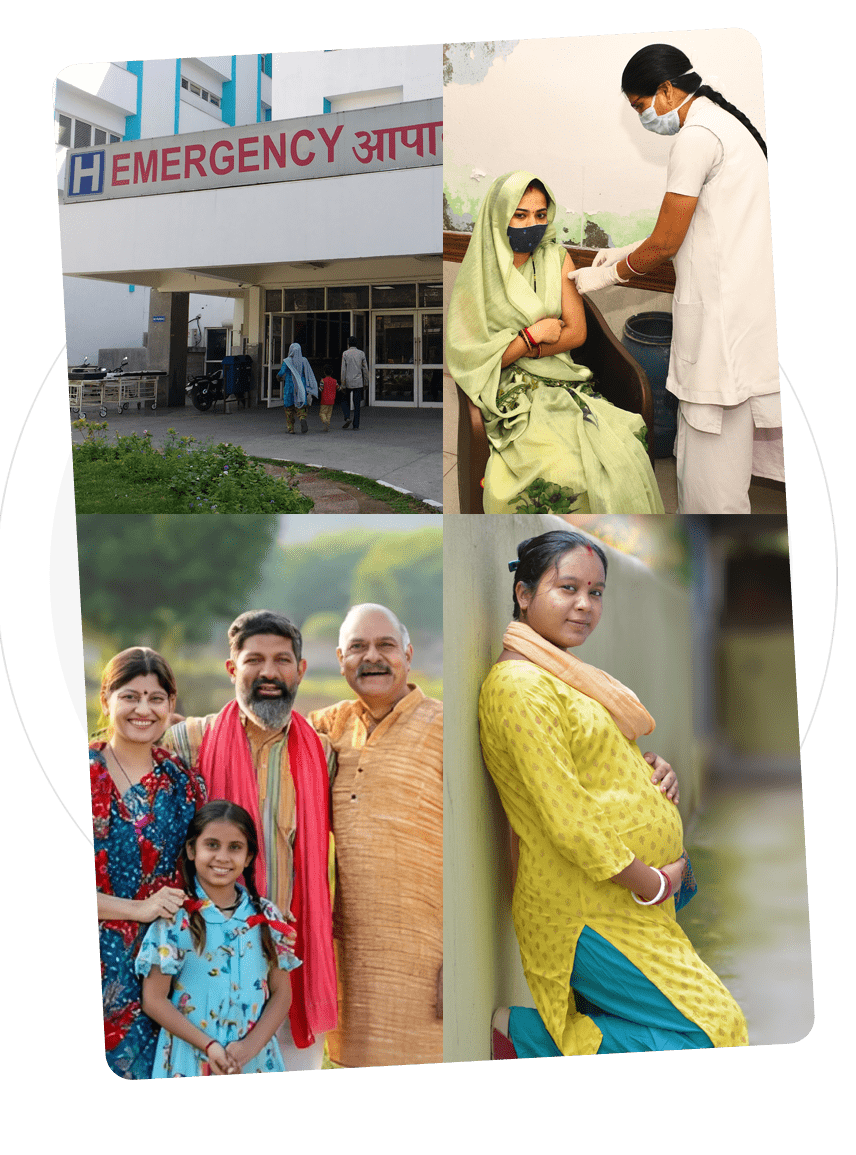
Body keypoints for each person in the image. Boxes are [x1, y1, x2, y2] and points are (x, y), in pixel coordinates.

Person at [479, 531, 748, 1056]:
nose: (584, 604)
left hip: (627, 904)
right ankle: (525, 1040)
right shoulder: (519, 687)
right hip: (585, 910)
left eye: (596, 592)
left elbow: (595, 764)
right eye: (568, 588)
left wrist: (649, 770)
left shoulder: (565, 676)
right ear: (524, 594)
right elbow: (566, 816)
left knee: (718, 1026)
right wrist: (651, 882)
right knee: (712, 1033)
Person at [569, 44, 783, 514]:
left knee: (711, 482)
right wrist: (621, 253)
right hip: (746, 314)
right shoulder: (727, 127)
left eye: (641, 106)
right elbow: (694, 230)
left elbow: (666, 243)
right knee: (714, 458)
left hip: (721, 331)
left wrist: (603, 280)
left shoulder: (696, 137)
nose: (644, 117)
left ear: (667, 90)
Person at [164, 611, 336, 1071]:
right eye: (254, 659)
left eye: (282, 660)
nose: (268, 673)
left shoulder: (323, 753)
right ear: (232, 668)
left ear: (300, 670)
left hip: (289, 965)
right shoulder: (186, 741)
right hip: (205, 968)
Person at [446, 171, 664, 515]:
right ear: (499, 216)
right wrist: (533, 334)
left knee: (621, 457)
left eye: (540, 215)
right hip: (508, 390)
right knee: (557, 470)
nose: (532, 224)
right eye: (520, 215)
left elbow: (576, 333)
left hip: (565, 381)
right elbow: (471, 357)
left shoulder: (557, 258)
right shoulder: (479, 272)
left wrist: (520, 347)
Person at [309, 604, 443, 1067]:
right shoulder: (328, 728)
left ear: (407, 653)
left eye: (385, 645)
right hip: (356, 962)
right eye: (359, 648)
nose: (374, 657)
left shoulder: (451, 728)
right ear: (341, 658)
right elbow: (254, 736)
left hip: (433, 961)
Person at [92, 647, 206, 1079]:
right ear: (107, 700)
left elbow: (202, 873)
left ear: (171, 705)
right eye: (130, 696)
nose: (144, 709)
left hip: (166, 971)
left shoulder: (183, 782)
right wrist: (135, 909)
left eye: (156, 698)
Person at [138, 801, 300, 1077]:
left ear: (249, 857)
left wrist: (250, 1047)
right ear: (192, 849)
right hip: (191, 1058)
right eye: (212, 845)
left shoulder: (267, 916)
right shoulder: (174, 917)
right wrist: (209, 1045)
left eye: (235, 847)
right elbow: (153, 1000)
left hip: (254, 1059)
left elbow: (282, 994)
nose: (223, 857)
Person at [277, 342, 318, 434]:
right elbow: (308, 373)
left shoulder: (287, 361)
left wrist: (278, 378)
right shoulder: (304, 360)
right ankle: (302, 418)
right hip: (300, 386)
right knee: (301, 404)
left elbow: (281, 373)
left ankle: (291, 428)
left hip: (289, 387)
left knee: (289, 407)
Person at [340, 335, 369, 429]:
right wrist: (366, 382)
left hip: (348, 381)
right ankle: (356, 425)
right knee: (357, 405)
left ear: (348, 344)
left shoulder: (345, 353)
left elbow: (343, 370)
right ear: (356, 344)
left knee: (345, 400)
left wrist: (343, 384)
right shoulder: (361, 353)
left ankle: (347, 416)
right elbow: (365, 369)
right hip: (358, 382)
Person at [318, 363, 338, 432]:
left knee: (322, 413)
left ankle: (325, 421)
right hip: (332, 400)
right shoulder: (335, 381)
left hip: (324, 400)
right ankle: (327, 426)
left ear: (324, 372)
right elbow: (338, 388)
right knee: (329, 414)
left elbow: (320, 389)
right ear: (332, 372)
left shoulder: (322, 381)